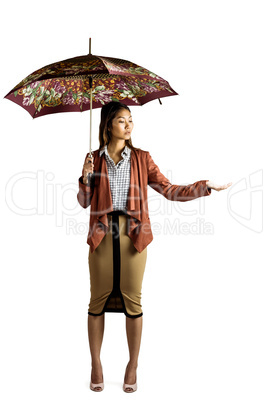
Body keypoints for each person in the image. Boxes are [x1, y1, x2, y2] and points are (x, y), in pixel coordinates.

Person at [77, 101, 232, 393]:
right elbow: (84, 202)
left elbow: (170, 191)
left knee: (133, 301)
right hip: (101, 234)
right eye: (122, 120)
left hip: (134, 236)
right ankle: (96, 364)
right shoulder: (93, 159)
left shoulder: (141, 158)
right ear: (108, 125)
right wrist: (85, 177)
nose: (129, 125)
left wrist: (205, 186)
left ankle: (132, 365)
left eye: (131, 120)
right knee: (96, 300)